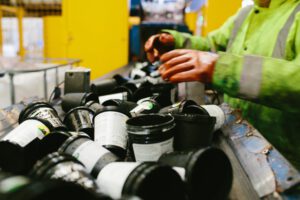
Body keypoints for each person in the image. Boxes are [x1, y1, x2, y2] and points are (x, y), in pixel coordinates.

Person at [145, 0, 300, 170]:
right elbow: (212, 44)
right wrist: (175, 41)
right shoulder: (245, 14)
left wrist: (221, 68)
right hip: (237, 135)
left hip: (287, 157)